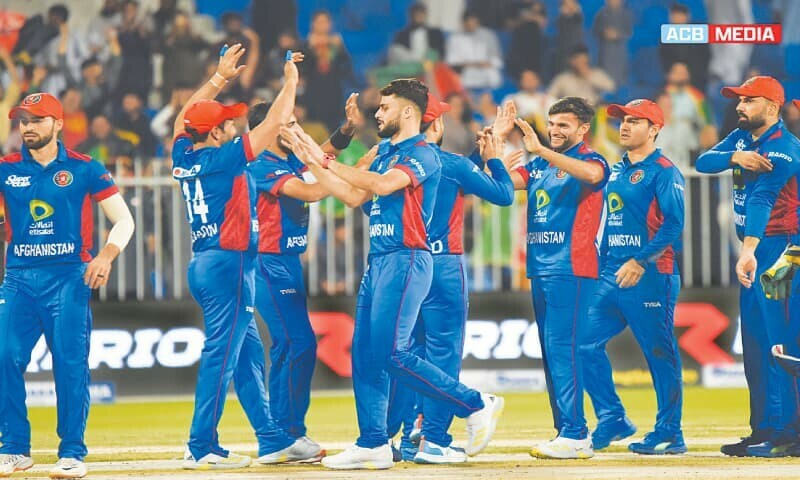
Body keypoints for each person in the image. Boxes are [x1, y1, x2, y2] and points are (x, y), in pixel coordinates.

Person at [281, 79, 504, 470]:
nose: (377, 113)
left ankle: (474, 402)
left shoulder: (423, 154)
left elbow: (382, 185)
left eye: (384, 108)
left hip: (407, 260)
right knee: (366, 356)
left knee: (391, 353)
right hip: (380, 260)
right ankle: (373, 443)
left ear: (407, 113)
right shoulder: (384, 150)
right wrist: (313, 160)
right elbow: (353, 196)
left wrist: (328, 161)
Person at [173, 44, 311, 470]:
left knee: (248, 355)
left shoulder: (185, 155)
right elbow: (272, 123)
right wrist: (290, 82)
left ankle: (270, 438)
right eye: (226, 124)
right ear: (214, 134)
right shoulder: (225, 157)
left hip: (207, 263)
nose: (232, 127)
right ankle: (200, 444)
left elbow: (183, 120)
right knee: (223, 356)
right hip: (230, 263)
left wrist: (218, 79)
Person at [0, 92, 135, 478]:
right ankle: (13, 449)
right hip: (18, 280)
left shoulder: (86, 168)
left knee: (70, 366)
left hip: (68, 280)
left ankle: (72, 452)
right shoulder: (6, 169)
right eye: (22, 120)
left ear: (58, 124)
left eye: (37, 120)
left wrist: (106, 256)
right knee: (3, 357)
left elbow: (124, 220)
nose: (27, 127)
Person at [390, 96, 520, 464]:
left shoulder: (393, 164)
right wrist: (494, 159)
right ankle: (434, 438)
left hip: (404, 265)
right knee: (443, 353)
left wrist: (486, 148)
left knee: (408, 355)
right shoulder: (452, 164)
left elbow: (448, 180)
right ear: (438, 126)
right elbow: (504, 195)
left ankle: (410, 432)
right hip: (443, 266)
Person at [244, 89, 362, 454]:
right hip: (268, 264)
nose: (298, 129)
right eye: (290, 123)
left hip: (287, 263)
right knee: (299, 343)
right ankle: (288, 433)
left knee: (286, 346)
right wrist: (353, 178)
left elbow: (322, 155)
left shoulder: (286, 159)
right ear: (272, 129)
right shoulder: (261, 163)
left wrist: (347, 130)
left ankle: (281, 435)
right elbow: (310, 192)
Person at [696, 76, 800, 457]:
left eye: (749, 100)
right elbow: (703, 161)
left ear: (772, 108)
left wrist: (749, 249)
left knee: (781, 344)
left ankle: (790, 434)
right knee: (756, 345)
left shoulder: (786, 148)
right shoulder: (741, 141)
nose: (739, 106)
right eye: (739, 100)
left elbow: (763, 198)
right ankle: (764, 430)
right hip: (757, 251)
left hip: (785, 252)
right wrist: (733, 157)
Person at [506, 97, 611, 458]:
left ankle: (576, 434)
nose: (554, 131)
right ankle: (566, 431)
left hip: (573, 269)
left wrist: (540, 150)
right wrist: (490, 153)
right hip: (542, 269)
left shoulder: (592, 160)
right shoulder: (538, 168)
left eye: (563, 125)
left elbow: (594, 177)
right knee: (553, 354)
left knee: (564, 350)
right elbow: (501, 187)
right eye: (551, 124)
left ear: (583, 129)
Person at [580, 99, 686, 455]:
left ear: (654, 129)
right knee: (582, 344)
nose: (624, 126)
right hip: (611, 273)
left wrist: (641, 260)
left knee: (659, 353)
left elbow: (674, 223)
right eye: (622, 120)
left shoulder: (664, 171)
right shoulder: (616, 169)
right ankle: (612, 418)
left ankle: (670, 432)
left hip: (652, 274)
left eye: (634, 121)